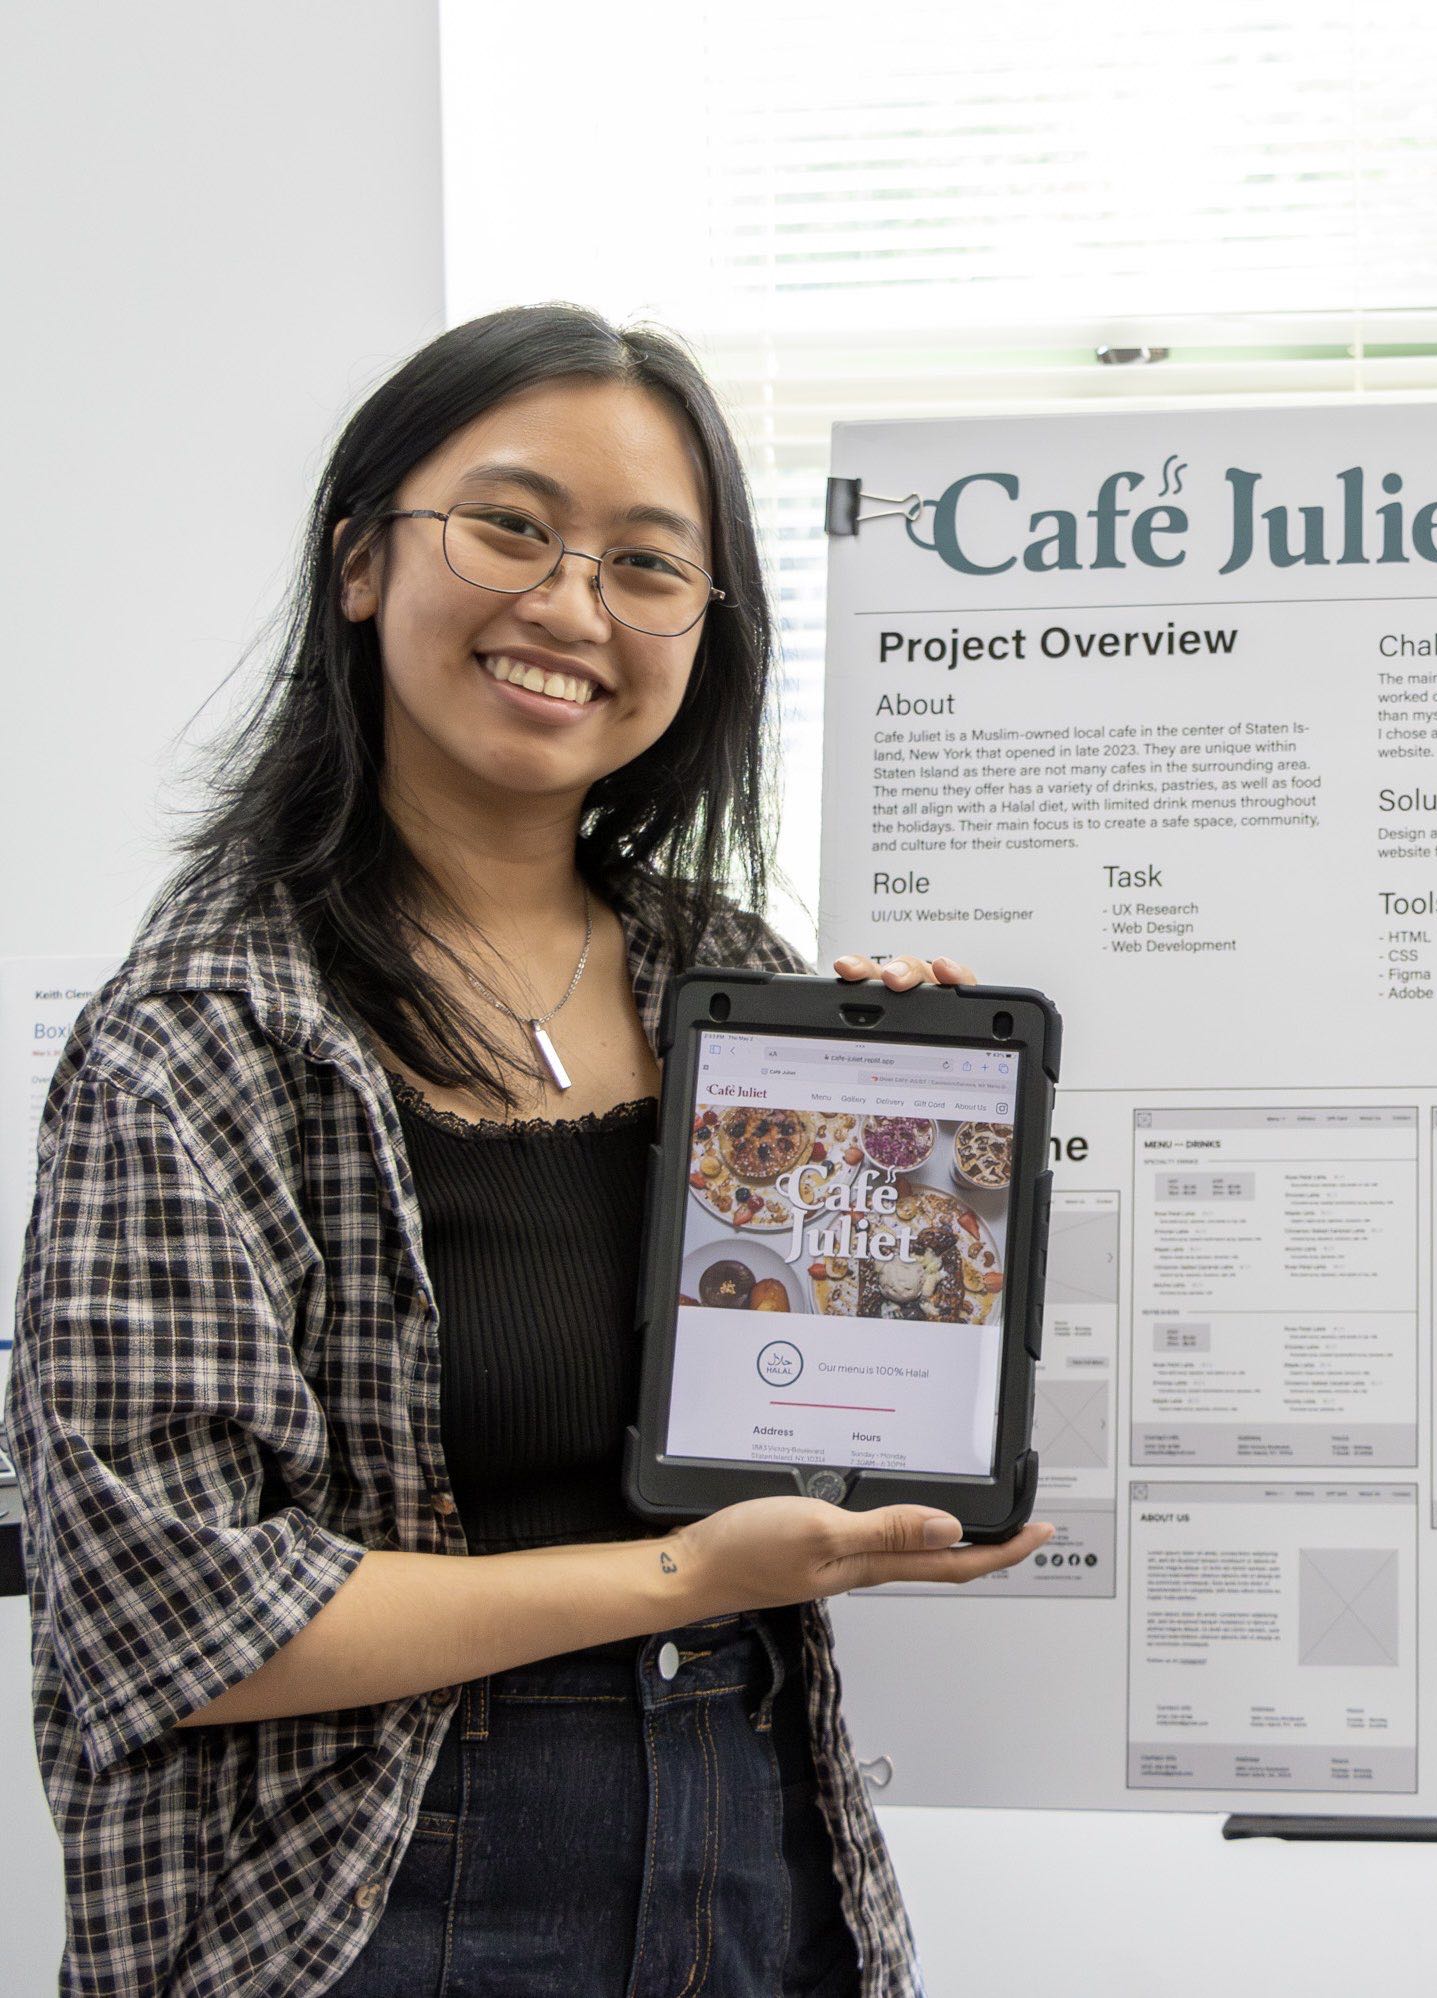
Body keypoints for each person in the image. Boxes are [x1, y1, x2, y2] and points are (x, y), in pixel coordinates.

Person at [3, 304, 1050, 1997]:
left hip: (754, 1859)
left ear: (704, 628)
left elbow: (811, 1410)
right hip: (368, 1901)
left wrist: (919, 1158)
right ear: (360, 560)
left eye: (647, 565)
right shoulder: (206, 1028)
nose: (572, 607)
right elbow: (170, 1606)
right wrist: (680, 1574)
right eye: (510, 526)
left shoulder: (724, 976)